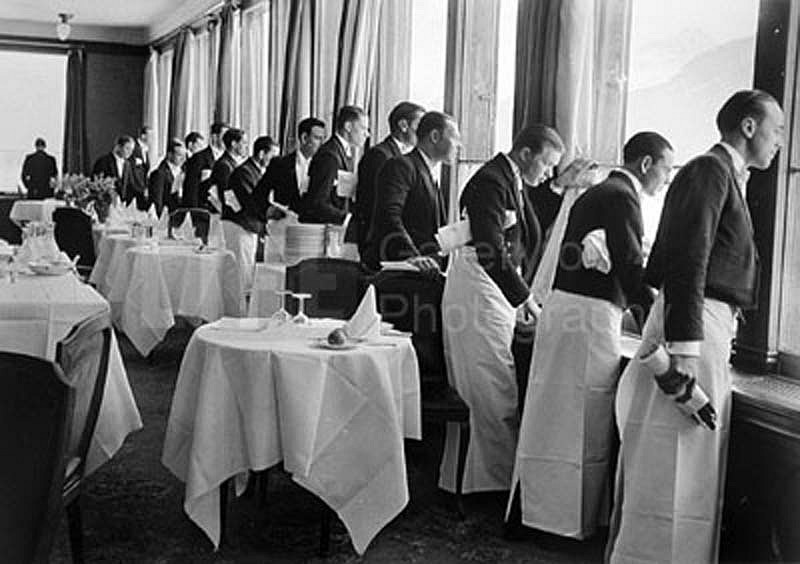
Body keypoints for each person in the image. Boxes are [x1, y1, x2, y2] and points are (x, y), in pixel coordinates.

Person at [606, 90, 784, 563]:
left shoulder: (726, 176)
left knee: (690, 464)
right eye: (777, 129)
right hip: (693, 326)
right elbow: (689, 258)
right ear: (748, 127)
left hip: (705, 325)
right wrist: (684, 352)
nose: (780, 142)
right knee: (670, 461)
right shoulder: (709, 171)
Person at [507, 132, 674, 541]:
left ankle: (546, 517)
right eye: (666, 169)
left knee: (560, 418)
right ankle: (557, 525)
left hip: (575, 313)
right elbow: (631, 267)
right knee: (578, 419)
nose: (666, 180)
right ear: (647, 164)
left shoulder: (605, 192)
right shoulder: (621, 196)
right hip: (585, 317)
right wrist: (661, 319)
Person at [438, 124, 563, 496]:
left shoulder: (510, 180)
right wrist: (525, 299)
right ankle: (491, 486)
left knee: (493, 386)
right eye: (546, 164)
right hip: (479, 288)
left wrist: (558, 190)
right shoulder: (490, 181)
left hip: (490, 291)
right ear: (525, 153)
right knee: (491, 389)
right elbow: (492, 249)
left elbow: (522, 230)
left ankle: (481, 480)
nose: (548, 173)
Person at [364, 111, 461, 273]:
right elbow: (389, 215)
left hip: (424, 268)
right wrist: (411, 256)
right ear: (435, 136)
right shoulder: (401, 166)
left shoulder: (428, 172)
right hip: (400, 268)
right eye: (455, 138)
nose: (459, 145)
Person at [350, 101, 425, 255]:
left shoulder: (406, 157)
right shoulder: (379, 155)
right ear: (403, 125)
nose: (422, 132)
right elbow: (374, 205)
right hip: (380, 244)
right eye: (419, 125)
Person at [225, 135, 279, 290]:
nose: (274, 161)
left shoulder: (256, 172)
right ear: (261, 154)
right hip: (241, 226)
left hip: (250, 226)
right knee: (243, 272)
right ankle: (240, 312)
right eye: (272, 156)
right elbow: (250, 202)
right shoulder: (244, 172)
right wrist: (270, 211)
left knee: (248, 270)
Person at [299, 106, 369, 224]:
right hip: (321, 230)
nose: (367, 134)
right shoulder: (329, 155)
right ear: (348, 127)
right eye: (363, 128)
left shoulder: (343, 153)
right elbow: (318, 202)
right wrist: (347, 219)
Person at [255, 117, 326, 215]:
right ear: (304, 138)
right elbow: (259, 195)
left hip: (312, 227)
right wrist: (269, 210)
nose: (322, 144)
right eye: (318, 138)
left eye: (323, 139)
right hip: (284, 225)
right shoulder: (279, 164)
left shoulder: (324, 167)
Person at [183, 122, 228, 208]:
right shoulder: (198, 158)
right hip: (203, 210)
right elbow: (191, 189)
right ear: (214, 137)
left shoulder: (227, 160)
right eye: (224, 136)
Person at [212, 128, 248, 218]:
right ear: (234, 144)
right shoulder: (224, 165)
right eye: (244, 143)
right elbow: (227, 194)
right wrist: (240, 213)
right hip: (230, 216)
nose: (246, 146)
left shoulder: (233, 163)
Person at [92, 135, 136, 205]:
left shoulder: (128, 164)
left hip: (121, 206)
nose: (130, 152)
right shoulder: (103, 161)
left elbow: (129, 185)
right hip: (105, 204)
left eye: (132, 150)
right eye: (127, 148)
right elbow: (96, 184)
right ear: (118, 147)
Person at [148, 138, 187, 215]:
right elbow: (157, 201)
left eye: (184, 156)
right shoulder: (160, 173)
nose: (183, 159)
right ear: (169, 155)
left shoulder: (183, 172)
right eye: (179, 155)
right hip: (165, 217)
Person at [129, 126, 151, 201]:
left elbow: (146, 168)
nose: (152, 139)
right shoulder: (133, 147)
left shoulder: (145, 148)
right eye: (150, 136)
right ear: (143, 136)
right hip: (134, 188)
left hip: (142, 188)